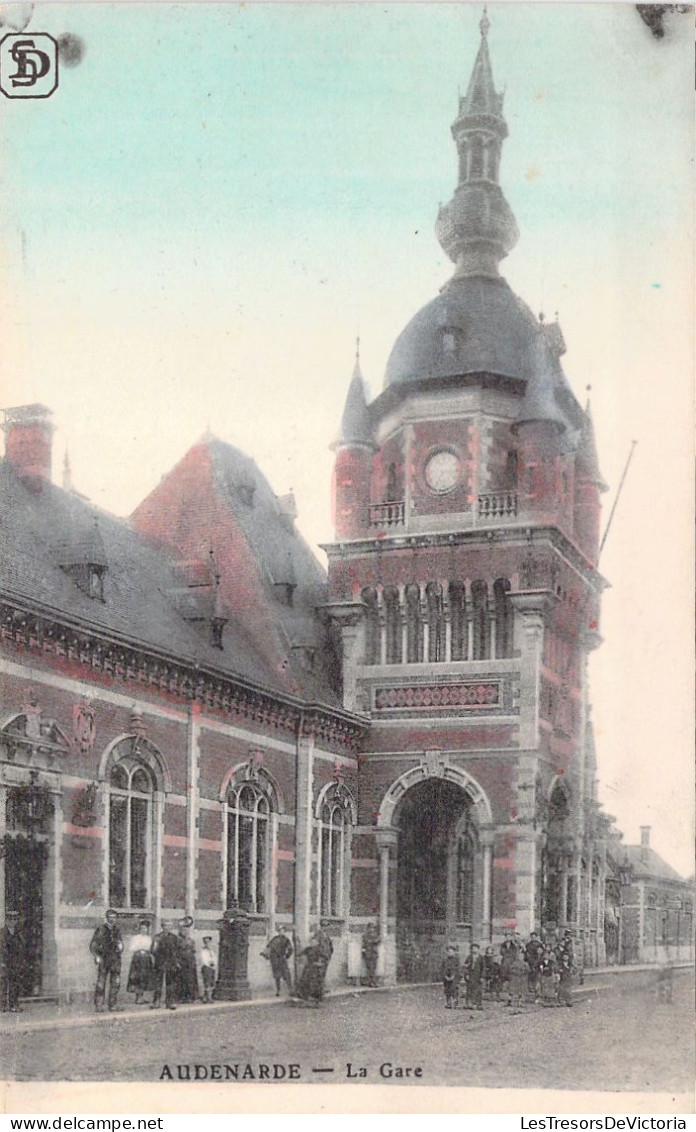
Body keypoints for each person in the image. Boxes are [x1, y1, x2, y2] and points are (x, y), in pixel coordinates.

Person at [90, 909, 124, 1013]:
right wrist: (97, 956)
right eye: (110, 917)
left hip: (115, 960)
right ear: (107, 918)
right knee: (101, 983)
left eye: (114, 917)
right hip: (104, 959)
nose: (112, 919)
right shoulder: (101, 929)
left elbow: (120, 943)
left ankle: (112, 1005)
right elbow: (93, 945)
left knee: (115, 983)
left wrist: (121, 946)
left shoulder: (117, 930)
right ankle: (99, 1005)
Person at [150, 920, 181, 1010]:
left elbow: (177, 951)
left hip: (171, 963)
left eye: (169, 926)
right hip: (160, 962)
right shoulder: (157, 937)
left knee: (170, 983)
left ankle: (170, 1002)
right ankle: (156, 1001)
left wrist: (176, 962)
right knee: (158, 983)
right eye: (165, 926)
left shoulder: (174, 938)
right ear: (162, 927)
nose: (167, 928)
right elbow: (152, 950)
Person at [126, 919, 154, 1005]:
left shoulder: (149, 938)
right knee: (137, 977)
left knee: (145, 977)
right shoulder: (135, 938)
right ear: (139, 929)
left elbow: (150, 948)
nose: (144, 930)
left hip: (146, 959)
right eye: (142, 928)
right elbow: (131, 948)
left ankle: (142, 997)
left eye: (145, 928)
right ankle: (138, 997)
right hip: (138, 959)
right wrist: (140, 948)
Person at [0, 911, 22, 1013]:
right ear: (6, 921)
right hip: (5, 962)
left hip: (16, 962)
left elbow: (20, 947)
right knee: (3, 984)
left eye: (15, 919)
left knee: (15, 983)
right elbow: (1, 948)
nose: (13, 922)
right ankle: (2, 1005)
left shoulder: (18, 933)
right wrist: (2, 962)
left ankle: (13, 1005)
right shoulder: (2, 933)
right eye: (10, 919)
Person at [264, 926, 293, 996]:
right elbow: (268, 946)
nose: (281, 932)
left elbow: (290, 949)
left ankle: (290, 989)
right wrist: (267, 954)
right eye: (280, 931)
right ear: (278, 931)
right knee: (277, 976)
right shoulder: (275, 939)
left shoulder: (286, 939)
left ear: (284, 932)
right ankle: (278, 991)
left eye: (282, 931)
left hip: (282, 959)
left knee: (286, 975)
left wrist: (287, 956)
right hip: (275, 960)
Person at [177, 916, 199, 1003]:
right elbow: (176, 951)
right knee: (182, 979)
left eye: (187, 930)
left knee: (191, 979)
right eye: (183, 930)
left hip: (190, 961)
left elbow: (193, 951)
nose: (185, 932)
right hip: (182, 961)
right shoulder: (178, 940)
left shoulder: (191, 941)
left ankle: (191, 996)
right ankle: (182, 997)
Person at [463, 942, 484, 1010]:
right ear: (471, 950)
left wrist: (482, 977)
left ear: (478, 949)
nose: (474, 950)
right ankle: (469, 1004)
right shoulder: (469, 957)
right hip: (470, 975)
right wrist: (466, 975)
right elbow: (465, 967)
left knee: (478, 990)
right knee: (469, 989)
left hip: (478, 976)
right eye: (473, 949)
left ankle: (478, 1004)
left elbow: (483, 968)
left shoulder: (481, 957)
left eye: (476, 948)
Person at [525, 931, 544, 999]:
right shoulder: (528, 945)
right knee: (530, 974)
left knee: (537, 975)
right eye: (532, 937)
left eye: (534, 937)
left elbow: (541, 953)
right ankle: (531, 988)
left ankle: (537, 989)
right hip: (530, 962)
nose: (533, 938)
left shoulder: (539, 944)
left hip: (537, 962)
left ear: (536, 937)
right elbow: (526, 954)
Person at [442, 942, 461, 1009]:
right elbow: (443, 969)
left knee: (454, 990)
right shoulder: (445, 960)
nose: (449, 953)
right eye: (448, 952)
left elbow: (458, 969)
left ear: (454, 952)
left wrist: (454, 976)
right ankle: (448, 1003)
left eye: (451, 951)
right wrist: (445, 976)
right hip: (446, 978)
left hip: (454, 978)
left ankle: (455, 1003)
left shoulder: (456, 960)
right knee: (447, 990)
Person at [362, 923, 380, 987]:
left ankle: (373, 982)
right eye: (371, 928)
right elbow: (365, 943)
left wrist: (373, 941)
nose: (372, 929)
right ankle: (371, 982)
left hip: (374, 953)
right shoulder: (366, 935)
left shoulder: (375, 935)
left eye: (373, 928)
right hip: (368, 953)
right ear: (368, 928)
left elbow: (378, 941)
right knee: (370, 968)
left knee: (374, 968)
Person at [200, 935, 217, 1003]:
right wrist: (209, 965)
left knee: (211, 982)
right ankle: (207, 997)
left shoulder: (212, 951)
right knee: (207, 982)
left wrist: (214, 965)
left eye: (209, 942)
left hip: (212, 968)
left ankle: (208, 996)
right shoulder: (203, 951)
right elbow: (204, 960)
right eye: (206, 943)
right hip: (206, 967)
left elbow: (215, 958)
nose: (208, 944)